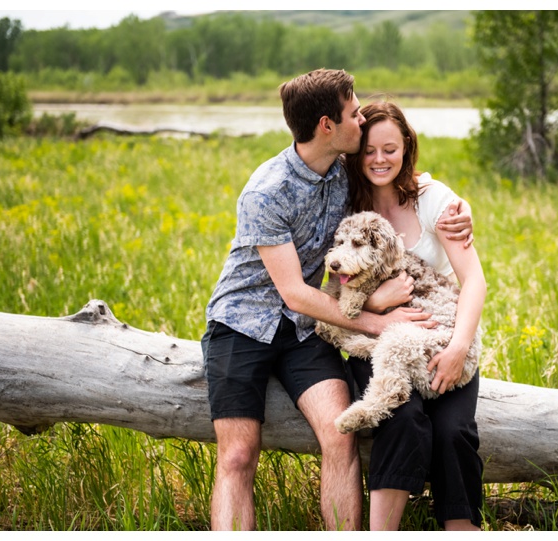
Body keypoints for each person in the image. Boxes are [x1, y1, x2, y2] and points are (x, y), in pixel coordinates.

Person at [200, 69, 473, 531]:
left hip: (305, 331)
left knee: (339, 435)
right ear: (327, 125)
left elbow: (400, 172)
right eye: (353, 112)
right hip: (243, 325)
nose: (361, 116)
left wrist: (458, 207)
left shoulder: (344, 170)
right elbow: (293, 293)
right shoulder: (266, 192)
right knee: (240, 453)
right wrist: (374, 320)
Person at [342, 101, 487, 531]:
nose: (379, 159)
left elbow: (474, 280)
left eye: (390, 149)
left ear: (406, 146)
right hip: (379, 343)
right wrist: (376, 301)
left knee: (454, 432)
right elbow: (335, 284)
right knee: (402, 417)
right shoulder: (347, 201)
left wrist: (460, 347)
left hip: (443, 338)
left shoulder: (434, 199)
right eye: (369, 150)